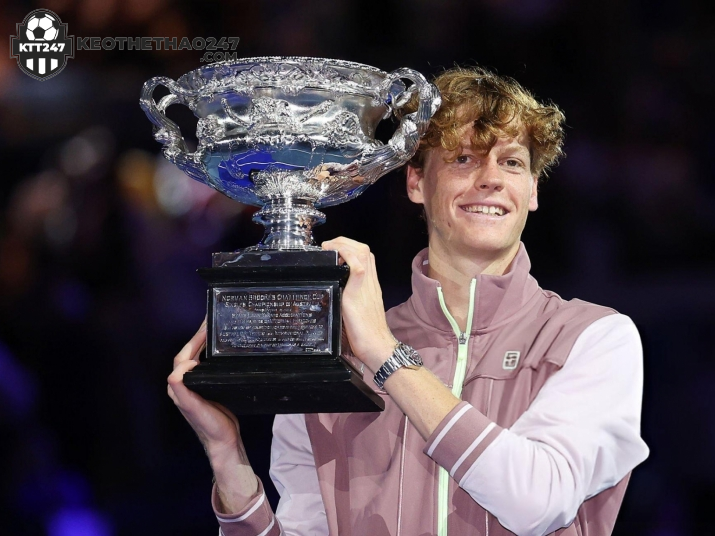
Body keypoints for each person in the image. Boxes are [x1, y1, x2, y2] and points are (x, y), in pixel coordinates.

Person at [168, 67, 649, 536]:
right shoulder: (337, 358)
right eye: (463, 159)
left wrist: (384, 353)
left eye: (512, 162)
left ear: (533, 190)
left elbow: (538, 502)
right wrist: (226, 457)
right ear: (416, 182)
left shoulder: (593, 337)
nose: (490, 179)